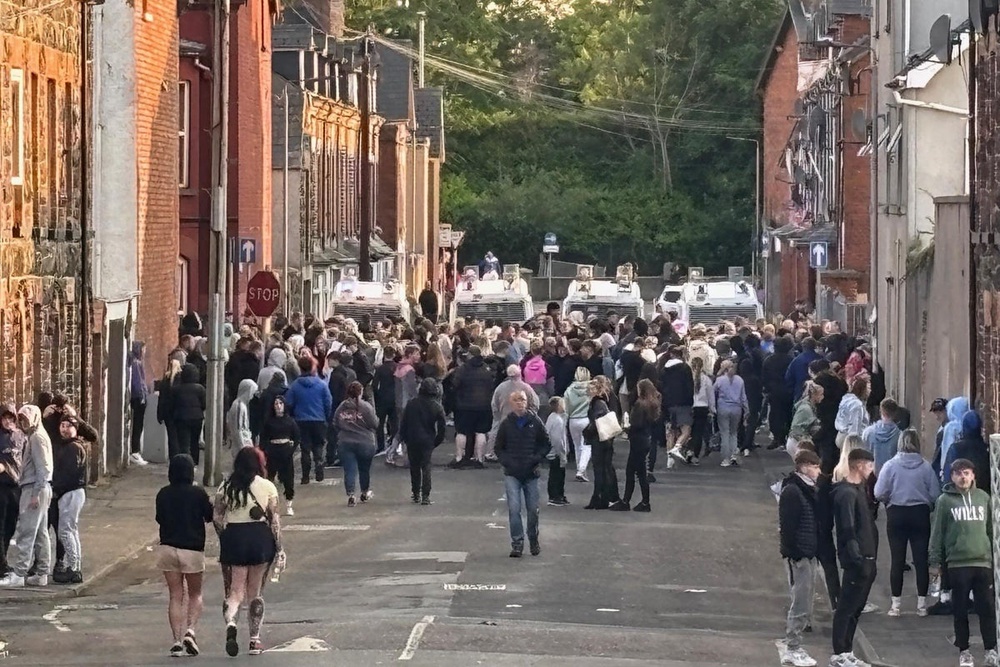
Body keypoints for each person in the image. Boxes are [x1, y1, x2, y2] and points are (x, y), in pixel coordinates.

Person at [213, 447, 285, 657]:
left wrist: (225, 537)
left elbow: (217, 517)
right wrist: (279, 548)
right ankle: (254, 640)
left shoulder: (226, 487)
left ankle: (231, 624)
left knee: (235, 592)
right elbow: (274, 522)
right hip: (259, 539)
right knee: (255, 592)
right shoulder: (267, 487)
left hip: (234, 538)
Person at [929, 458, 999, 667]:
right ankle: (964, 650)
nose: (963, 477)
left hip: (982, 561)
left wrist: (993, 557)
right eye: (958, 473)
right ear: (952, 477)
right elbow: (938, 533)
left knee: (986, 608)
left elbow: (991, 530)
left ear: (973, 475)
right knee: (959, 609)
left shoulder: (983, 498)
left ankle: (990, 650)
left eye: (966, 473)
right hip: (957, 563)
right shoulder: (945, 501)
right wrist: (935, 562)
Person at [874, 429, 940, 618]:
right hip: (919, 513)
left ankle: (896, 605)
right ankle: (921, 605)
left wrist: (889, 499)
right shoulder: (925, 466)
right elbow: (935, 494)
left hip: (896, 513)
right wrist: (925, 501)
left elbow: (878, 492)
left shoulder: (890, 465)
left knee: (897, 560)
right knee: (920, 560)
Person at [155, 454, 214, 657]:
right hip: (193, 549)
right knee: (195, 594)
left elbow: (159, 518)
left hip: (168, 548)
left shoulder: (163, 493)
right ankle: (191, 630)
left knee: (175, 595)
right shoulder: (198, 493)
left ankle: (176, 641)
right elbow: (209, 516)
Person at [829, 448, 878, 667]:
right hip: (857, 561)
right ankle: (839, 652)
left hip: (867, 558)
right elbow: (847, 529)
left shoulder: (859, 490)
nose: (872, 469)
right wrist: (857, 558)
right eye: (869, 465)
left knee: (856, 609)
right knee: (846, 608)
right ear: (859, 465)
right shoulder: (847, 494)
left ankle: (847, 650)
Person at [778, 449, 823, 667]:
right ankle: (792, 647)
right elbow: (787, 527)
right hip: (800, 555)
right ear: (804, 466)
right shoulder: (794, 491)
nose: (818, 471)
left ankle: (795, 646)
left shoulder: (806, 489)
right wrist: (793, 554)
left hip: (808, 552)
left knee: (805, 602)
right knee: (801, 602)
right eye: (815, 467)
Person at [0, 406, 53, 587]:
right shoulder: (37, 436)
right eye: (21, 419)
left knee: (27, 532)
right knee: (40, 533)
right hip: (39, 488)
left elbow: (44, 469)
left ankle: (19, 574)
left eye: (25, 419)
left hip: (34, 488)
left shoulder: (37, 438)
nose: (22, 423)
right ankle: (42, 572)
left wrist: (36, 493)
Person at [494, 391, 550, 558]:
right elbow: (499, 447)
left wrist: (536, 458)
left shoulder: (535, 422)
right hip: (512, 472)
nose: (520, 403)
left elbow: (545, 444)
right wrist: (507, 461)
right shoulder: (506, 424)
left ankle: (533, 538)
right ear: (511, 403)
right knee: (514, 509)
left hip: (531, 472)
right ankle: (517, 543)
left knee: (533, 509)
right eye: (516, 400)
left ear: (528, 402)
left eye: (523, 400)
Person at [284, 355, 333, 484]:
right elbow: (328, 402)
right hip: (319, 419)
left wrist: (293, 415)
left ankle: (305, 476)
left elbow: (289, 403)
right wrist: (326, 416)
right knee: (318, 445)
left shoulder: (295, 386)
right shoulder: (321, 385)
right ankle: (319, 466)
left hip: (301, 420)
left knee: (305, 448)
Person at [51, 415, 88, 584]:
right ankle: (75, 566)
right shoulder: (72, 446)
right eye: (62, 425)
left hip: (71, 492)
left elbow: (68, 474)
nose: (64, 429)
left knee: (65, 531)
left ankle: (73, 568)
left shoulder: (73, 448)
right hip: (73, 492)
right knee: (71, 530)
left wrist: (56, 489)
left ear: (75, 428)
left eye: (68, 426)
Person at [398, 378, 447, 505]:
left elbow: (404, 422)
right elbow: (442, 427)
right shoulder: (437, 406)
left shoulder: (411, 403)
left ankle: (415, 493)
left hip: (412, 438)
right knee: (426, 466)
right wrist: (436, 441)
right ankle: (426, 495)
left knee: (414, 466)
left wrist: (402, 437)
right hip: (427, 439)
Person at [615, 378, 658, 512]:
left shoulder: (640, 404)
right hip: (645, 439)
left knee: (633, 472)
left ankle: (630, 501)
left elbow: (637, 424)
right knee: (639, 472)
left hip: (637, 440)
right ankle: (639, 501)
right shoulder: (653, 404)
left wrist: (627, 428)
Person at [334, 382, 379, 507]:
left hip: (345, 442)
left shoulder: (342, 407)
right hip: (365, 442)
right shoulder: (366, 407)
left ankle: (351, 495)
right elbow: (374, 423)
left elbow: (335, 422)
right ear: (361, 392)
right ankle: (364, 492)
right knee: (364, 469)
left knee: (349, 469)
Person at [450, 345, 495, 468]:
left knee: (462, 432)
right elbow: (491, 385)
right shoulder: (487, 368)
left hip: (464, 406)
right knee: (481, 432)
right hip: (484, 406)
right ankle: (479, 459)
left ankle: (459, 458)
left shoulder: (463, 369)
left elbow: (454, 385)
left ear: (470, 355)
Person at [583, 376, 621, 510]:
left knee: (600, 469)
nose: (588, 390)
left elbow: (597, 421)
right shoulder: (605, 400)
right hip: (605, 439)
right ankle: (604, 497)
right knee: (605, 468)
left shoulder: (597, 403)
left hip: (600, 439)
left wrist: (587, 431)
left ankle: (600, 498)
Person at [260, 395, 300, 516]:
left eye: (280, 403)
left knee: (288, 479)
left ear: (284, 405)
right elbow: (263, 438)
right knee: (270, 478)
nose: (278, 406)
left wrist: (291, 449)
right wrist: (266, 450)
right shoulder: (268, 421)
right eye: (276, 404)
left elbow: (297, 437)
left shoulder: (290, 421)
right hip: (273, 452)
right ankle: (269, 504)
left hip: (286, 452)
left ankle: (289, 504)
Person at [0, 403, 24, 578]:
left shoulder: (19, 436)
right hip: (1, 486)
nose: (8, 421)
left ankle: (4, 559)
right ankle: (2, 564)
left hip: (16, 486)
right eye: (4, 417)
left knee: (10, 526)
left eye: (11, 418)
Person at [660, 346, 694, 464]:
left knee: (670, 431)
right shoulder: (685, 368)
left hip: (668, 403)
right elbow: (690, 387)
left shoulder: (664, 369)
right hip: (683, 403)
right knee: (686, 429)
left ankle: (670, 460)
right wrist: (690, 402)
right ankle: (677, 447)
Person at [945, 410, 991, 497]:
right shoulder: (986, 449)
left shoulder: (956, 448)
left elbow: (948, 472)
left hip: (959, 496)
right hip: (982, 498)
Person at [714, 360, 749, 467]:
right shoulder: (740, 380)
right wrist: (747, 410)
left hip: (723, 408)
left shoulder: (720, 380)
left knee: (725, 433)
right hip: (737, 408)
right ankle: (734, 454)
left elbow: (713, 391)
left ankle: (726, 458)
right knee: (734, 433)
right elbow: (743, 397)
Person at [763, 336, 795, 450]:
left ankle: (777, 438)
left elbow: (765, 376)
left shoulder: (769, 360)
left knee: (775, 415)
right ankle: (786, 437)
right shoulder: (791, 359)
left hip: (774, 391)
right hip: (788, 391)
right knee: (788, 414)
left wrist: (766, 389)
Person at [172, 363, 207, 466]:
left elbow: (173, 404)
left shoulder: (176, 389)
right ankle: (195, 463)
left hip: (181, 418)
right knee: (194, 442)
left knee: (184, 443)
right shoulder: (200, 389)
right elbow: (204, 404)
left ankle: (185, 464)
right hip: (197, 418)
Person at [564, 367, 593, 482]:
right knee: (587, 445)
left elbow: (566, 407)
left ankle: (580, 470)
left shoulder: (569, 390)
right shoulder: (591, 389)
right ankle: (581, 470)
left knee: (577, 446)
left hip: (573, 420)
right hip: (586, 419)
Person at [688, 356, 716, 464]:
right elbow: (710, 395)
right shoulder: (706, 379)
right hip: (703, 407)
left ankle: (688, 450)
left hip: (691, 407)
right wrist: (712, 409)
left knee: (689, 431)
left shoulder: (689, 378)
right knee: (698, 433)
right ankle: (695, 455)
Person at [861, 398, 899, 474]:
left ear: (880, 412)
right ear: (895, 413)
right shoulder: (900, 436)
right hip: (891, 476)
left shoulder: (868, 433)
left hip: (871, 476)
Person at [544, 396, 570, 507]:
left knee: (555, 474)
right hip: (556, 453)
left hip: (552, 451)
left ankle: (557, 495)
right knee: (557, 475)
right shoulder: (558, 421)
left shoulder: (552, 417)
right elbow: (557, 439)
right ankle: (555, 496)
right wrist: (562, 452)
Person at [128, 341, 150, 466]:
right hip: (139, 397)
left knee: (138, 424)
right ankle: (135, 451)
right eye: (143, 349)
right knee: (138, 424)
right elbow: (138, 382)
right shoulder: (137, 363)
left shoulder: (136, 362)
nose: (145, 352)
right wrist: (142, 395)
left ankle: (135, 451)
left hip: (138, 396)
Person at [157, 359, 184, 460]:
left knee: (171, 436)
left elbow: (161, 398)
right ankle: (180, 457)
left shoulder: (165, 379)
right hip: (179, 412)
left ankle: (173, 457)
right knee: (180, 436)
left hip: (168, 412)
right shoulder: (181, 379)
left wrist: (159, 414)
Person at [789, 381, 823, 459]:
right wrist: (806, 442)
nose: (823, 397)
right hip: (797, 442)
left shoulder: (809, 407)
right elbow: (796, 429)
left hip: (796, 442)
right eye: (821, 395)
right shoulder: (806, 409)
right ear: (814, 395)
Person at [226, 379, 258, 454]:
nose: (252, 396)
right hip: (241, 445)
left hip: (244, 443)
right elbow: (238, 429)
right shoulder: (239, 406)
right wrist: (243, 447)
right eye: (252, 392)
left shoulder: (241, 405)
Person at [785, 338, 821, 402]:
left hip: (800, 392)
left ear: (803, 346)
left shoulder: (796, 360)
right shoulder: (820, 359)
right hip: (819, 393)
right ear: (815, 346)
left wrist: (792, 391)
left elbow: (788, 377)